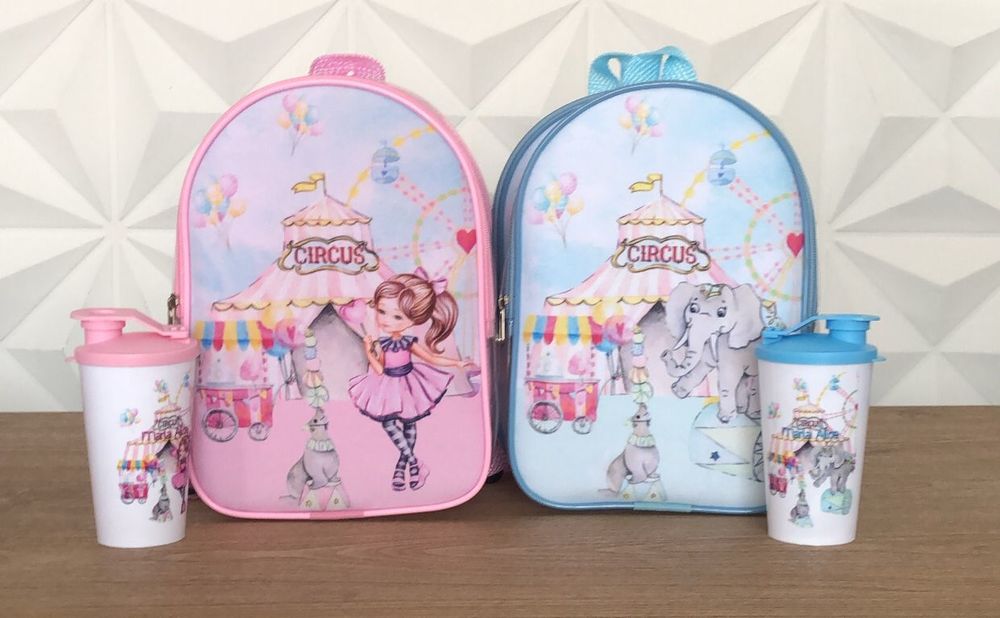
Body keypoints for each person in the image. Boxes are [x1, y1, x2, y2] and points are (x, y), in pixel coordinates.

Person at [348, 269, 472, 491]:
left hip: (410, 383)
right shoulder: (384, 344)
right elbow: (379, 369)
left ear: (413, 320)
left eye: (397, 317)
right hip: (388, 383)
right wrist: (368, 351)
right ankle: (414, 462)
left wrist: (456, 363)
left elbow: (432, 358)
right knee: (388, 422)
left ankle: (402, 467)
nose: (386, 320)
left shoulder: (408, 342)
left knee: (408, 423)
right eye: (382, 311)